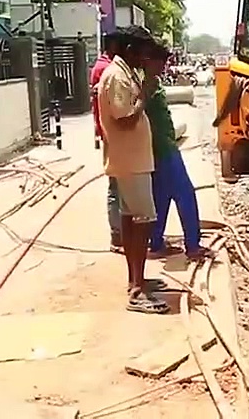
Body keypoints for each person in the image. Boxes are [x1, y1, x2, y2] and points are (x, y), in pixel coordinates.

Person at [96, 25, 169, 314]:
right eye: (142, 53)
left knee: (131, 220)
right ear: (130, 51)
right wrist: (144, 96)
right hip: (130, 161)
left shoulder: (125, 73)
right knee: (143, 222)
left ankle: (135, 280)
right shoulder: (117, 76)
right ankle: (137, 291)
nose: (145, 59)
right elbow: (124, 118)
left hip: (133, 159)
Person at [142, 45, 215, 261]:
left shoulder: (152, 82)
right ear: (149, 61)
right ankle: (192, 245)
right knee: (185, 194)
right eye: (161, 62)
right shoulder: (145, 86)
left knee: (162, 196)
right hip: (163, 149)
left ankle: (156, 243)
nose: (163, 67)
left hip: (160, 147)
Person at [90, 30, 126, 254]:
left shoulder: (103, 67)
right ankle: (117, 237)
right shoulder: (107, 69)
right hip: (112, 134)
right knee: (116, 187)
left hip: (108, 132)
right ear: (113, 46)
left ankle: (121, 233)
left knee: (119, 186)